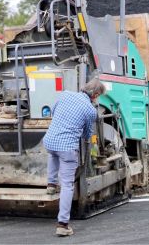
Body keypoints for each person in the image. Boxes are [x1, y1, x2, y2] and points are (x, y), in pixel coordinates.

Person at [42, 78, 106, 237]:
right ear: (95, 94)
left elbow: (54, 111)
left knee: (53, 152)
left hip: (49, 140)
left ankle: (50, 183)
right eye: (98, 96)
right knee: (67, 185)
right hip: (67, 148)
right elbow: (87, 134)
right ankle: (63, 224)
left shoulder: (65, 94)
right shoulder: (90, 110)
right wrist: (90, 144)